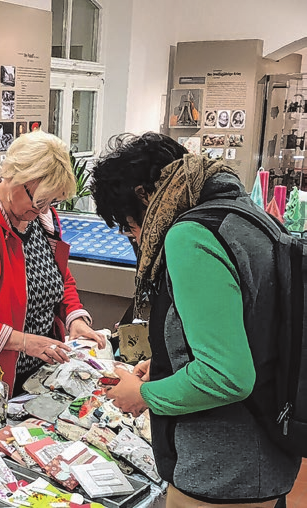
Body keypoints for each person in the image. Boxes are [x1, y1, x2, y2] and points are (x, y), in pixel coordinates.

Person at [89, 132, 300, 507]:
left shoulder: (191, 234)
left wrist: (144, 395)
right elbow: (248, 330)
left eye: (128, 225)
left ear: (143, 196)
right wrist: (172, 361)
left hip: (220, 469)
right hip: (266, 453)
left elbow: (226, 376)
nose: (135, 237)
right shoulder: (247, 215)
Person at [0, 131, 105, 396]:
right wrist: (23, 342)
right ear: (14, 176)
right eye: (39, 201)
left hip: (36, 374)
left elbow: (59, 278)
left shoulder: (39, 217)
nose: (43, 209)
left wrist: (74, 317)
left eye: (52, 202)